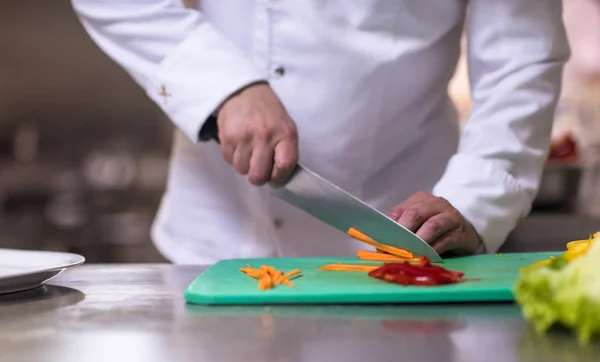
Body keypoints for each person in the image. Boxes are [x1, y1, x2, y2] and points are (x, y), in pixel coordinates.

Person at [70, 1, 569, 264]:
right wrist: (223, 86)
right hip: (211, 238)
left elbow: (520, 57)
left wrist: (478, 197)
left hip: (402, 244)